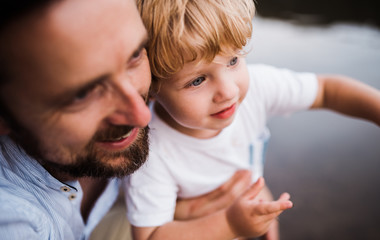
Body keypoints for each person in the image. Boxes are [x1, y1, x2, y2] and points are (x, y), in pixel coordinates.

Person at [0, 0, 293, 239]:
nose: (143, 116)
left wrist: (180, 215)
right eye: (82, 94)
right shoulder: (15, 224)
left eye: (135, 54)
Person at [124, 0, 380, 239]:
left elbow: (327, 91)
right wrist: (230, 224)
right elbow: (150, 235)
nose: (229, 91)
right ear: (152, 88)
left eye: (233, 60)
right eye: (197, 80)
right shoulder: (149, 153)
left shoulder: (257, 88)